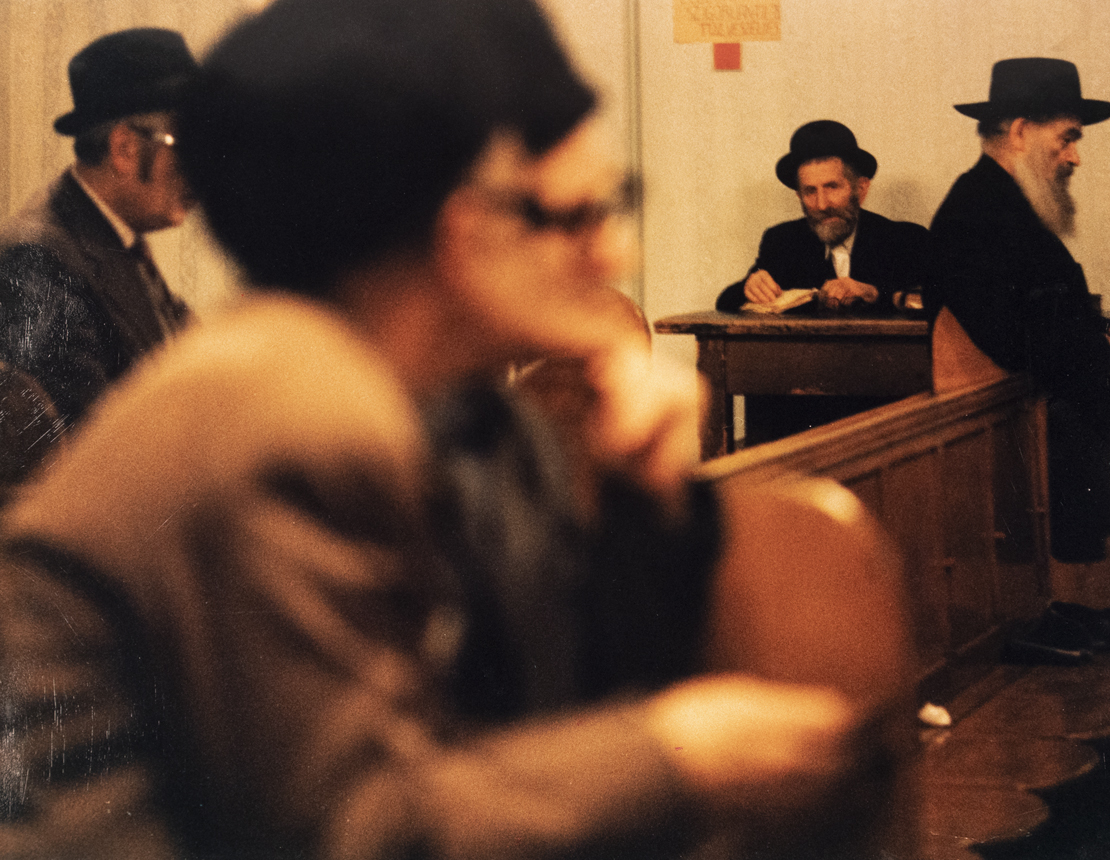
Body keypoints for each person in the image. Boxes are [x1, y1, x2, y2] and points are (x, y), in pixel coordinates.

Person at [0, 1, 887, 858]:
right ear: (466, 230)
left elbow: (538, 695)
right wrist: (675, 757)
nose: (618, 254)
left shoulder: (464, 410)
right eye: (582, 215)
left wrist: (641, 497)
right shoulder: (279, 414)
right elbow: (348, 832)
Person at [926, 57, 1110, 563]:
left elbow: (1050, 304)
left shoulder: (1009, 204)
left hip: (1048, 433)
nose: (1075, 157)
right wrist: (1103, 349)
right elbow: (1018, 335)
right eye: (1067, 139)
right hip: (1020, 445)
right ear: (1021, 132)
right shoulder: (977, 212)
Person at [0, 28, 195, 432]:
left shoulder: (116, 234)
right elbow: (93, 441)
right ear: (125, 149)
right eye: (188, 146)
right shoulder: (38, 264)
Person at [715, 120, 928, 314]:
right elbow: (725, 302)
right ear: (799, 196)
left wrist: (875, 293)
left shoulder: (906, 240)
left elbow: (933, 301)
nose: (822, 204)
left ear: (861, 189)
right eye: (810, 191)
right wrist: (750, 287)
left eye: (832, 187)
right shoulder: (782, 241)